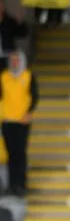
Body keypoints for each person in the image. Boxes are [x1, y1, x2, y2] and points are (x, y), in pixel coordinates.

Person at [0, 51, 38, 197]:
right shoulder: (3, 77)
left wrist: (29, 112)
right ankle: (12, 185)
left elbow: (35, 96)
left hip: (22, 121)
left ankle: (21, 185)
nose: (14, 63)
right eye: (12, 60)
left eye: (17, 60)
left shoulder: (28, 76)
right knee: (10, 155)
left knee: (20, 154)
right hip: (7, 121)